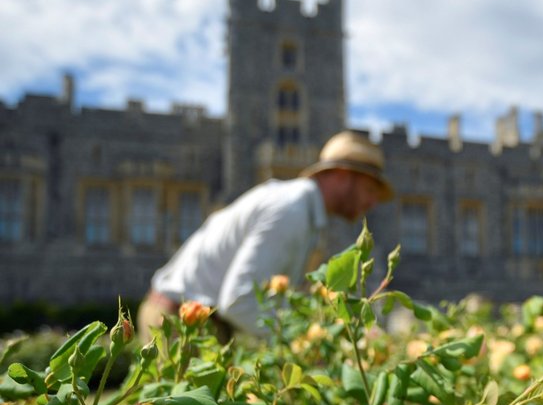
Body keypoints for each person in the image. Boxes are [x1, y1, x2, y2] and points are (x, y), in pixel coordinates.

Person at [137, 131, 394, 342]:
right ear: (342, 175)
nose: (372, 203)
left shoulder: (302, 210)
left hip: (197, 322)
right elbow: (239, 301)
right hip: (178, 324)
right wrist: (307, 342)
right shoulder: (291, 209)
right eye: (370, 189)